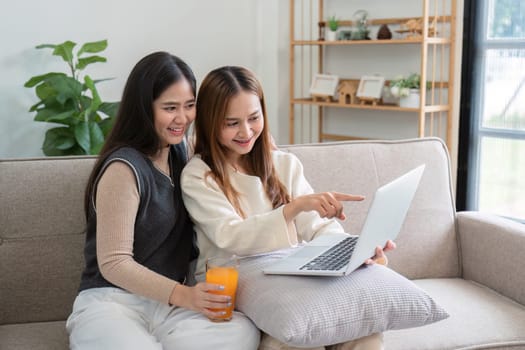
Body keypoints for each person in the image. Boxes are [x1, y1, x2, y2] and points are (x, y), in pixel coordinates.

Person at [180, 66, 395, 350]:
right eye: (231, 123)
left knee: (364, 331)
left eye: (254, 118)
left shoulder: (283, 164)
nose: (246, 131)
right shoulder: (198, 175)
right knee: (294, 341)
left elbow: (319, 227)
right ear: (209, 123)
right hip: (235, 284)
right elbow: (230, 236)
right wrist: (292, 209)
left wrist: (355, 250)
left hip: (291, 279)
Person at [66, 53, 260, 350]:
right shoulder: (123, 169)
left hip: (169, 310)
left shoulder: (181, 152)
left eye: (190, 105)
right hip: (113, 302)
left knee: (242, 331)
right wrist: (186, 296)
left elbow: (225, 141)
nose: (182, 118)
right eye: (170, 108)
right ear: (144, 108)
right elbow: (114, 263)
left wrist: (260, 141)